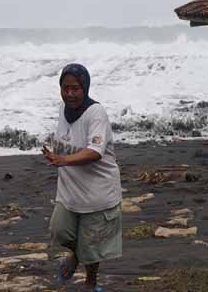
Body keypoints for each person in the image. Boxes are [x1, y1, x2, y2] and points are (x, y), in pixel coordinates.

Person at [41, 63, 122, 292]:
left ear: (85, 88)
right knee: (59, 231)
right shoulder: (62, 110)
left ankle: (90, 283)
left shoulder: (96, 113)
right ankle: (76, 254)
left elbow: (95, 152)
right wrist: (55, 156)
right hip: (69, 192)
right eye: (65, 88)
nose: (70, 93)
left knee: (92, 247)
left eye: (75, 88)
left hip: (98, 193)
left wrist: (63, 161)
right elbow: (66, 142)